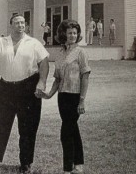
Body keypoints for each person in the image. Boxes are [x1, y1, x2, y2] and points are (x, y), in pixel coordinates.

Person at [0, 14, 49, 174]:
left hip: (28, 88)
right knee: (0, 125)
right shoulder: (1, 42)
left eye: (22, 23)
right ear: (11, 25)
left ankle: (26, 163)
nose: (20, 25)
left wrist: (42, 82)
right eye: (16, 22)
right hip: (6, 89)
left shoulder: (34, 43)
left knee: (27, 128)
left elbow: (44, 62)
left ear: (25, 25)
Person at [39, 19, 91, 174]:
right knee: (72, 129)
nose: (72, 36)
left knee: (66, 131)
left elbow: (85, 77)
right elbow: (57, 79)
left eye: (75, 33)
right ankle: (78, 165)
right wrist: (48, 94)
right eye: (69, 33)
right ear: (63, 34)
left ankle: (67, 168)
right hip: (62, 97)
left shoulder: (81, 52)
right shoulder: (60, 54)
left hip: (75, 96)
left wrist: (82, 100)